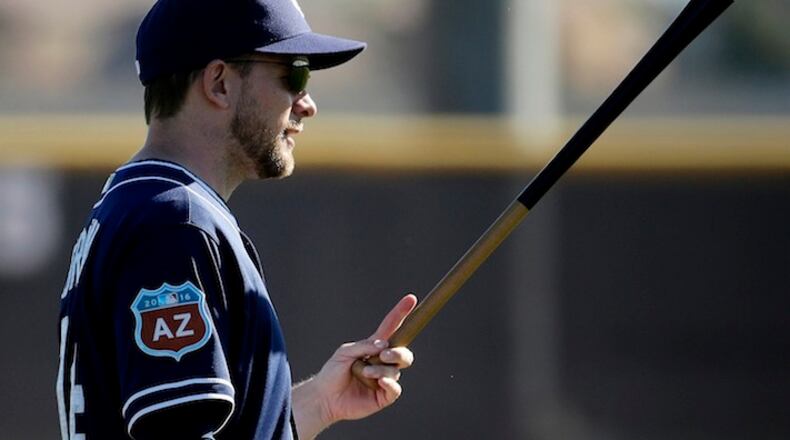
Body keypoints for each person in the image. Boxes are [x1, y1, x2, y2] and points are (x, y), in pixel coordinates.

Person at [55, 0, 417, 438]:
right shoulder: (174, 222)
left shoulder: (137, 205)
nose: (307, 104)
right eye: (294, 74)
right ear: (220, 83)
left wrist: (319, 401)